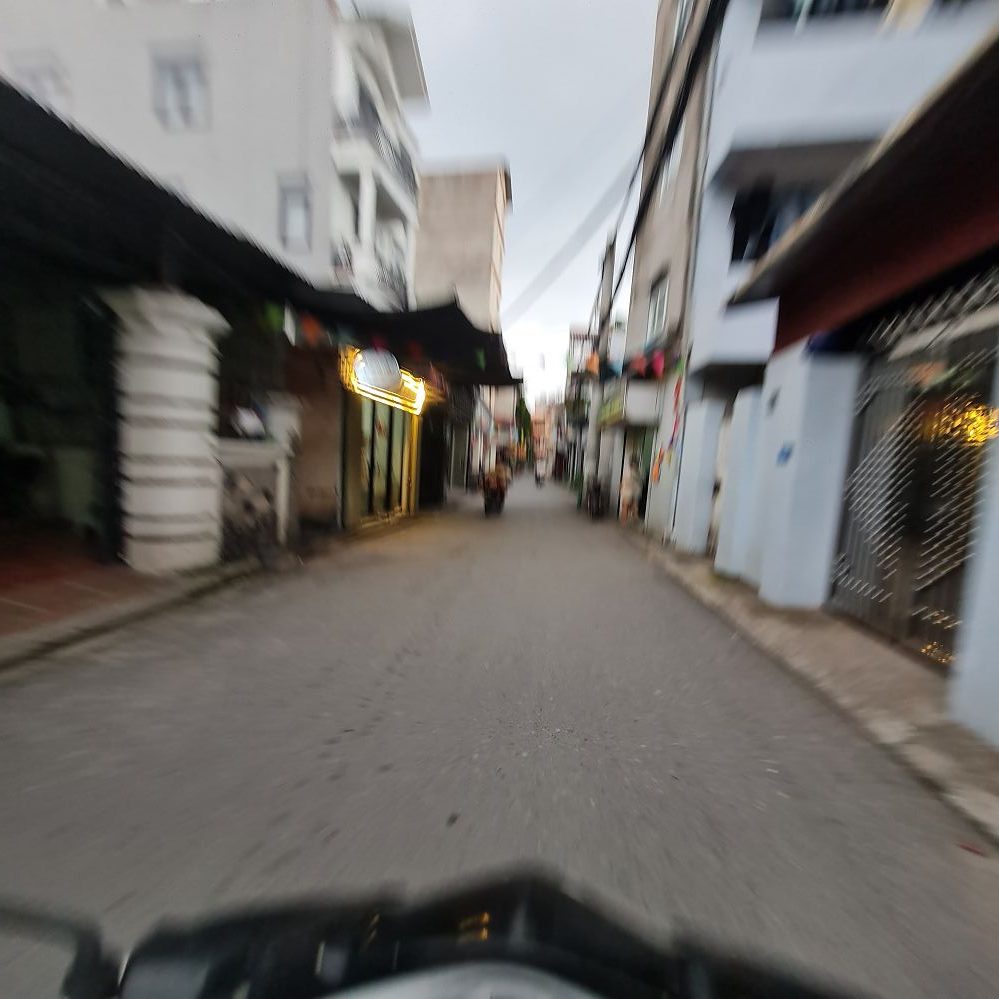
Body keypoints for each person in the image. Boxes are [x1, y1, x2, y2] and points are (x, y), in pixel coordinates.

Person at [619, 455, 641, 524]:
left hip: (627, 491)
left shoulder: (628, 471)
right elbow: (638, 483)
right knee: (634, 506)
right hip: (635, 491)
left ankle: (623, 521)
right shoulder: (637, 472)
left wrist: (620, 488)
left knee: (625, 506)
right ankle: (635, 519)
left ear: (630, 463)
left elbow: (624, 481)